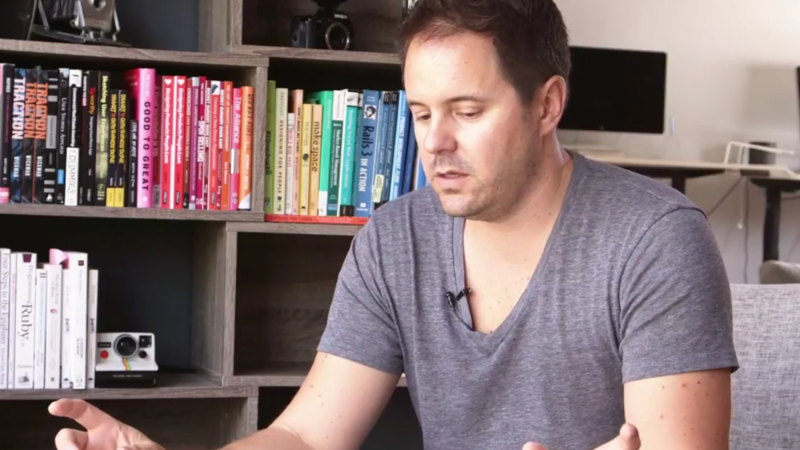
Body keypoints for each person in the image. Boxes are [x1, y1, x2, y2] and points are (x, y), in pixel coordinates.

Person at [49, 0, 739, 449]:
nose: (435, 143)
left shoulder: (655, 239)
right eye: (421, 112)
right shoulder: (395, 239)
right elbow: (308, 436)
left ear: (547, 104)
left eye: (467, 111)